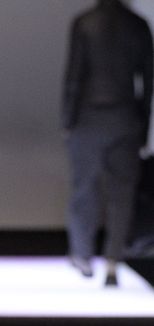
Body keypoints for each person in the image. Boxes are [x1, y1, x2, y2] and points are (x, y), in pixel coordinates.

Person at [63, 0, 153, 286]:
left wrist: (68, 120)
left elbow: (74, 75)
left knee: (85, 188)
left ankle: (82, 254)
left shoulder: (84, 22)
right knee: (121, 194)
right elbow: (148, 81)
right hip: (126, 117)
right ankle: (113, 260)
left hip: (88, 116)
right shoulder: (137, 25)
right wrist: (143, 125)